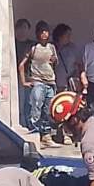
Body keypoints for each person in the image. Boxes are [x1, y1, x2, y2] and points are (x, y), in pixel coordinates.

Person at [19, 21, 59, 149]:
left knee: (48, 110)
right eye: (42, 31)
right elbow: (21, 65)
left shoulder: (51, 47)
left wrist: (54, 61)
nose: (44, 34)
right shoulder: (33, 47)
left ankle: (46, 136)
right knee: (36, 108)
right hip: (37, 81)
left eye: (46, 31)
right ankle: (36, 135)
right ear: (37, 33)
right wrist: (24, 81)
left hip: (50, 81)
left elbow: (55, 63)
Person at [15, 19, 34, 128]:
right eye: (20, 27)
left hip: (30, 76)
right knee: (20, 102)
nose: (22, 30)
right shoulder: (12, 43)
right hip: (17, 77)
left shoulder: (32, 44)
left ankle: (30, 124)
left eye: (25, 28)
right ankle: (22, 124)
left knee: (30, 102)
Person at [52, 23, 82, 93]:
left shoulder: (72, 48)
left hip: (68, 85)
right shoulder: (51, 47)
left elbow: (79, 64)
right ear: (60, 36)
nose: (69, 38)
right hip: (54, 84)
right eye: (67, 35)